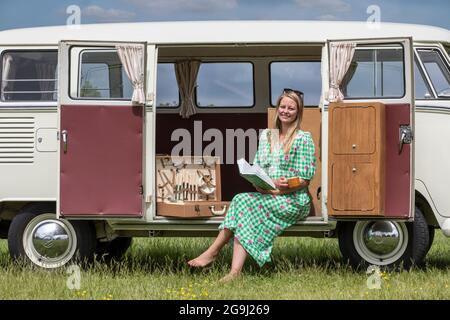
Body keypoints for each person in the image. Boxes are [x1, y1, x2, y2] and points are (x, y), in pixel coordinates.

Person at [187, 89, 316, 283]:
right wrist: (260, 183)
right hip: (268, 194)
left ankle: (214, 254)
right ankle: (232, 271)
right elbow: (259, 168)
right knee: (240, 200)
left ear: (298, 112)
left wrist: (282, 186)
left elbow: (304, 179)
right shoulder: (268, 136)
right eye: (282, 106)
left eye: (291, 108)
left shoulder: (303, 138)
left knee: (245, 206)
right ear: (277, 109)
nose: (286, 111)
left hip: (293, 200)